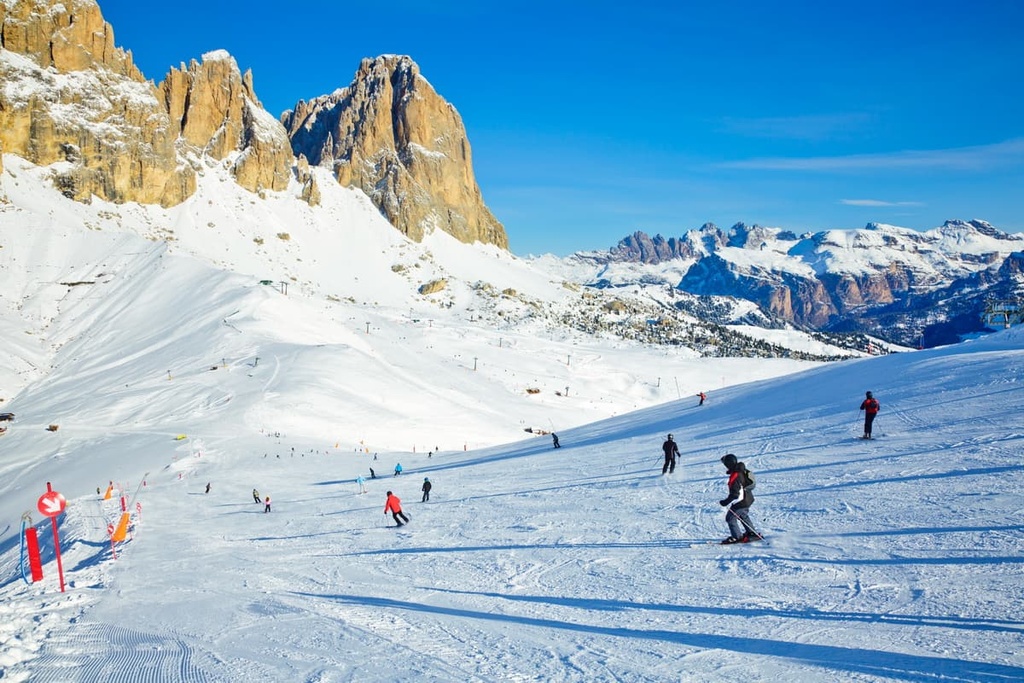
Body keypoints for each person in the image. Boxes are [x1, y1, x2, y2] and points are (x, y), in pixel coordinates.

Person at [719, 453, 759, 543]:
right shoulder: (741, 470)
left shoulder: (735, 476)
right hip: (748, 498)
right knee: (743, 515)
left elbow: (735, 495)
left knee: (730, 518)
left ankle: (736, 537)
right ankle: (752, 533)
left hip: (741, 501)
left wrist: (725, 502)